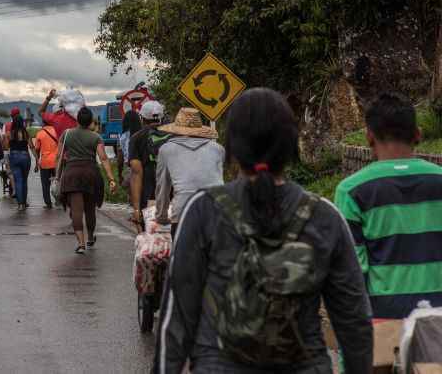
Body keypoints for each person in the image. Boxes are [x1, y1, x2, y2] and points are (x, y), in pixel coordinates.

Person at [153, 88, 373, 374]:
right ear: (292, 146)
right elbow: (354, 322)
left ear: (231, 149)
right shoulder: (325, 217)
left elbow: (177, 319)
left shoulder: (204, 211)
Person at [336, 93, 442, 319]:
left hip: (384, 322)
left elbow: (353, 272)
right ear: (417, 135)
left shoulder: (352, 191)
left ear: (369, 137)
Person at [57, 107, 116, 253]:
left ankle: (81, 244)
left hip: (71, 174)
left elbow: (58, 157)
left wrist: (57, 176)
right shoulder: (95, 137)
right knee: (90, 209)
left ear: (77, 119)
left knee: (76, 210)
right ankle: (90, 237)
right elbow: (103, 158)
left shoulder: (66, 134)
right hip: (90, 174)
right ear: (90, 121)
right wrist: (111, 179)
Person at [154, 107, 224, 231]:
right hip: (216, 210)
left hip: (183, 211)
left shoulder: (167, 149)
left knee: (183, 250)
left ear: (176, 130)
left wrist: (161, 216)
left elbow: (163, 187)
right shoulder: (217, 149)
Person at [127, 101, 165, 227]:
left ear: (142, 118)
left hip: (148, 197)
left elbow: (136, 173)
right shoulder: (173, 136)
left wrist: (136, 209)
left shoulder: (136, 138)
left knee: (150, 238)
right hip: (171, 196)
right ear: (162, 118)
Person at [4, 110, 33, 211]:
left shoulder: (10, 133)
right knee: (24, 181)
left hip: (14, 157)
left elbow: (6, 147)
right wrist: (37, 160)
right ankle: (24, 203)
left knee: (18, 181)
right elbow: (32, 147)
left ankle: (20, 204)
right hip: (25, 157)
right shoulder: (26, 133)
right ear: (22, 123)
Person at [33, 123, 59, 209]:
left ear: (43, 123)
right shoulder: (57, 131)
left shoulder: (40, 133)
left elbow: (37, 149)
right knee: (58, 181)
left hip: (45, 162)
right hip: (56, 162)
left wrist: (37, 163)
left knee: (45, 184)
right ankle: (59, 200)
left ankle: (48, 203)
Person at [116, 109, 142, 188]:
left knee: (133, 196)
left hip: (131, 169)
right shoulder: (143, 134)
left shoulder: (122, 138)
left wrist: (120, 175)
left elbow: (120, 159)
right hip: (146, 169)